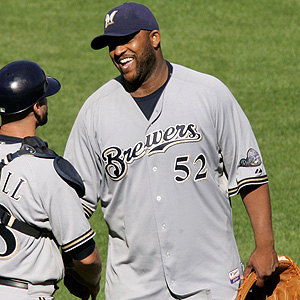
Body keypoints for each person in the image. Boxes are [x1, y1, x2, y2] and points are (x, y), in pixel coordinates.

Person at [64, 3, 278, 300]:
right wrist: (75, 266)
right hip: (132, 288)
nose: (118, 51)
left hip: (211, 280)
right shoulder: (94, 113)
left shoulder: (208, 94)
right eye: (112, 44)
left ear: (154, 38)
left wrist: (265, 244)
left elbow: (249, 171)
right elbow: (71, 205)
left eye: (127, 39)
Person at [0, 60, 102, 300]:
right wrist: (93, 282)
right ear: (37, 108)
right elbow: (86, 257)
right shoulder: (47, 172)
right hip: (25, 293)